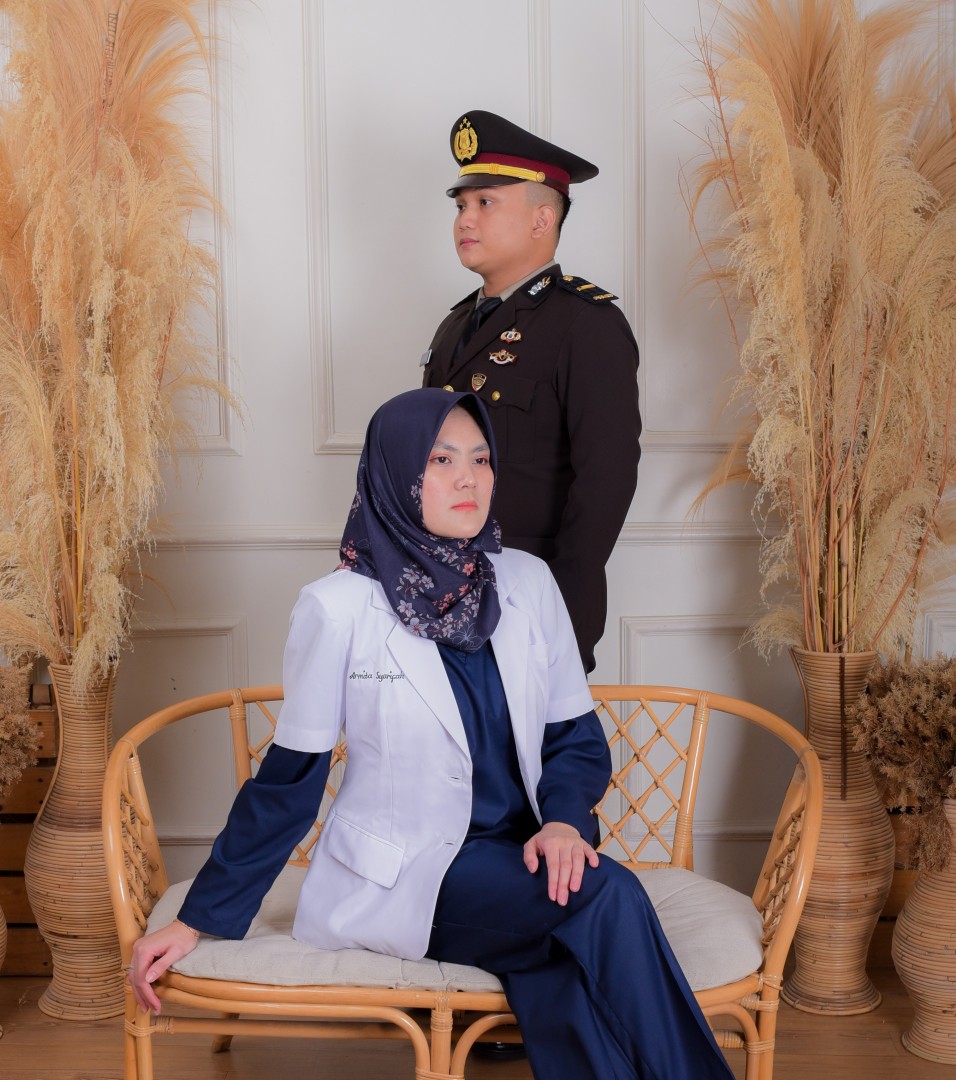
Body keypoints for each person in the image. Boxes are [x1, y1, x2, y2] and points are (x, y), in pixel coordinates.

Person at [128, 388, 733, 1080]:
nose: (468, 478)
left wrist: (565, 823)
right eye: (441, 461)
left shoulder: (529, 583)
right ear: (396, 474)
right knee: (607, 896)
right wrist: (196, 919)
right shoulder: (336, 608)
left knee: (563, 964)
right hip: (411, 876)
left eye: (480, 458)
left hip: (526, 855)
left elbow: (573, 736)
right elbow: (289, 782)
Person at [421, 109, 642, 674]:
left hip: (532, 610)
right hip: (442, 603)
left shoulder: (586, 324)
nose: (466, 219)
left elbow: (605, 485)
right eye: (460, 205)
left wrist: (557, 613)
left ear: (543, 219)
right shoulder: (454, 326)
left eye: (485, 202)